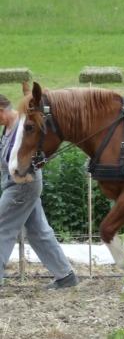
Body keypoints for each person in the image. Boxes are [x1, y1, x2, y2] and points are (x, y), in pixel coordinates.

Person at [0, 90, 77, 289]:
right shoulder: (8, 128)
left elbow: (37, 151)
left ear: (1, 111)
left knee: (2, 226)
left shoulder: (23, 126)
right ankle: (65, 276)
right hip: (14, 183)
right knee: (37, 231)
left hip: (23, 184)